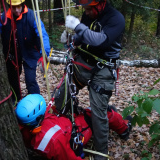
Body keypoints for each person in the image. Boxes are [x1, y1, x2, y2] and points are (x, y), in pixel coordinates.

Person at [56, 0, 126, 159]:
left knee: (98, 112)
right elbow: (82, 37)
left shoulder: (116, 18)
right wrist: (70, 38)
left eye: (88, 9)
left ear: (100, 5)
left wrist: (78, 26)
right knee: (62, 94)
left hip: (104, 70)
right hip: (83, 63)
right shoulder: (89, 14)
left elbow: (100, 40)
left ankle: (101, 153)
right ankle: (59, 129)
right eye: (85, 10)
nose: (86, 13)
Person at [15, 94, 131, 160]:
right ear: (39, 117)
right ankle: (124, 128)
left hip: (65, 125)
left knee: (85, 112)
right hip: (76, 132)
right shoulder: (55, 140)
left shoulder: (23, 126)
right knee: (102, 112)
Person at [0, 0, 50, 102]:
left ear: (22, 4)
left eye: (19, 6)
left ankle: (36, 102)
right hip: (13, 54)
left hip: (29, 52)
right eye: (14, 7)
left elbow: (42, 35)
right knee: (13, 80)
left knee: (30, 80)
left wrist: (44, 52)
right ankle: (16, 100)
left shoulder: (32, 16)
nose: (17, 10)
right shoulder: (4, 17)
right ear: (9, 6)